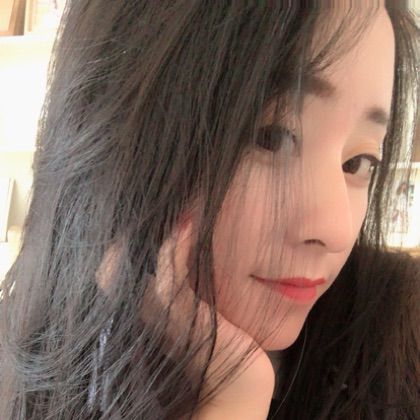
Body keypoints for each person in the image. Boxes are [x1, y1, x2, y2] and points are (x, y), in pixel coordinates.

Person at [0, 1, 419, 419]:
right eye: (272, 138)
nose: (337, 230)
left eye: (359, 162)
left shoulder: (402, 338)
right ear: (119, 138)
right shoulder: (22, 356)